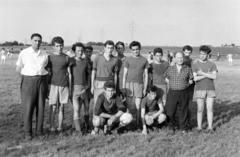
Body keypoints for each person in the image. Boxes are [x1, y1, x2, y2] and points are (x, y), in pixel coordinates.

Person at [16, 33, 49, 140]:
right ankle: (28, 132)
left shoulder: (44, 53)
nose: (37, 42)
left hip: (42, 81)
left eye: (39, 41)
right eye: (35, 40)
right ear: (31, 40)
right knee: (28, 107)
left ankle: (39, 131)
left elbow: (46, 69)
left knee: (40, 107)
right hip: (28, 80)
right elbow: (18, 69)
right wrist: (27, 79)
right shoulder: (24, 53)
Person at [47, 36, 72, 134]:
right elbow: (48, 73)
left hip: (64, 85)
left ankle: (60, 127)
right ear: (53, 47)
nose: (59, 48)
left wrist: (69, 86)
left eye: (61, 46)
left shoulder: (66, 57)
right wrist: (48, 87)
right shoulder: (50, 57)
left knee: (61, 107)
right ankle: (51, 127)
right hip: (53, 85)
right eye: (57, 46)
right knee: (53, 107)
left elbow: (69, 73)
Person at [164, 51, 193, 133]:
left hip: (183, 92)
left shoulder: (187, 69)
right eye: (178, 58)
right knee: (170, 110)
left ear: (183, 58)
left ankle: (183, 127)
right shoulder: (170, 68)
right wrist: (172, 84)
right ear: (175, 59)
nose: (180, 59)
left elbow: (191, 80)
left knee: (183, 110)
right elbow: (166, 78)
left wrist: (186, 84)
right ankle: (171, 127)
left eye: (181, 58)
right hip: (172, 92)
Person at [192, 45, 218, 133]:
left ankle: (210, 127)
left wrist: (201, 73)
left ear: (208, 54)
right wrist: (206, 74)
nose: (202, 56)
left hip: (210, 89)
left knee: (210, 108)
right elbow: (195, 78)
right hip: (199, 89)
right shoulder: (195, 64)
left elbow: (214, 76)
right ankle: (199, 127)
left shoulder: (212, 64)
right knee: (200, 108)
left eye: (204, 54)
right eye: (201, 54)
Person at [122, 41, 148, 126]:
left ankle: (137, 123)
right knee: (129, 105)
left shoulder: (144, 60)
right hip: (129, 84)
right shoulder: (127, 59)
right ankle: (127, 122)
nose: (135, 51)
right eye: (133, 50)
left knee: (138, 105)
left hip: (139, 84)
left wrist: (145, 88)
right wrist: (123, 88)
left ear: (140, 49)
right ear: (131, 50)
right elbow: (124, 75)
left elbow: (146, 75)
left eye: (137, 49)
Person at [70, 42, 91, 135]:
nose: (80, 52)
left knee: (86, 107)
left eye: (81, 50)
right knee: (77, 108)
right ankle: (78, 130)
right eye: (78, 50)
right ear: (74, 51)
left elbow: (89, 74)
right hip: (74, 88)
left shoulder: (85, 61)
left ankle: (87, 125)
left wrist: (88, 84)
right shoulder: (70, 61)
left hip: (84, 88)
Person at [91, 40, 118, 107]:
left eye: (111, 48)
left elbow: (115, 75)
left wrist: (115, 87)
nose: (110, 50)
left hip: (109, 84)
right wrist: (92, 85)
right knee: (97, 104)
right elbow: (93, 71)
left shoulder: (115, 59)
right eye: (108, 48)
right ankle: (96, 117)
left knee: (108, 105)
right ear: (104, 48)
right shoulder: (98, 57)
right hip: (99, 84)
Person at [182, 45, 195, 125]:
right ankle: (181, 121)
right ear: (183, 51)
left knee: (189, 104)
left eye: (189, 52)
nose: (188, 54)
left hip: (191, 85)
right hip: (182, 85)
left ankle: (188, 122)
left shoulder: (191, 60)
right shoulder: (180, 59)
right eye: (186, 52)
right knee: (182, 104)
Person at [84, 45, 94, 114]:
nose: (88, 53)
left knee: (87, 105)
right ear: (84, 52)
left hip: (90, 86)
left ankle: (86, 122)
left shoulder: (92, 62)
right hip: (84, 86)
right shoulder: (83, 62)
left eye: (90, 52)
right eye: (87, 52)